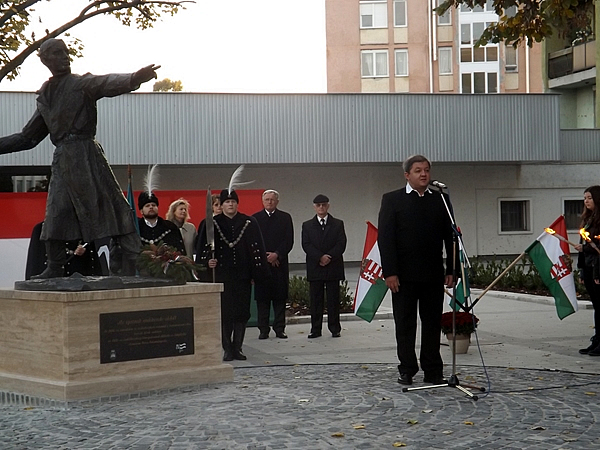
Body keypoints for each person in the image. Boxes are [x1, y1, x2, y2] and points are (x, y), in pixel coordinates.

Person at [0, 38, 159, 278]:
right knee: (56, 212)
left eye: (66, 52)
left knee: (112, 206)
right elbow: (27, 138)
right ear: (46, 60)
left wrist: (134, 78)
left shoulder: (81, 83)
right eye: (58, 53)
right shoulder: (45, 97)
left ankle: (139, 259)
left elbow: (106, 83)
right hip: (63, 159)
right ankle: (54, 266)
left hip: (87, 155)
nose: (65, 57)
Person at [377, 154, 455, 386]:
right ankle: (407, 369)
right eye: (418, 170)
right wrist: (390, 272)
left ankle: (433, 370)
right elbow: (386, 239)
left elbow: (450, 237)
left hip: (432, 274)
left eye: (427, 170)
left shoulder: (440, 199)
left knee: (432, 323)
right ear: (407, 175)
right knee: (405, 324)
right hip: (403, 276)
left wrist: (451, 269)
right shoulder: (392, 200)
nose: (424, 174)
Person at [196, 188, 267, 361]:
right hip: (221, 275)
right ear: (221, 205)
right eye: (227, 202)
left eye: (233, 202)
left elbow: (257, 249)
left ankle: (238, 347)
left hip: (242, 275)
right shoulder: (211, 223)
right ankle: (227, 348)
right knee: (225, 313)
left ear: (237, 204)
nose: (230, 205)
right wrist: (207, 263)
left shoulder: (249, 222)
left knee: (241, 312)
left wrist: (256, 273)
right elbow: (202, 249)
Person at [301, 194, 347, 339]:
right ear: (314, 207)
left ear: (328, 206)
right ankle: (315, 329)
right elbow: (306, 244)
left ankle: (335, 328)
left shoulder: (338, 224)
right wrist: (320, 257)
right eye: (318, 205)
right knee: (316, 300)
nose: (321, 207)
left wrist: (329, 257)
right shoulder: (307, 225)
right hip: (316, 266)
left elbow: (341, 244)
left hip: (333, 266)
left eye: (324, 204)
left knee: (333, 300)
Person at [253, 190, 294, 339]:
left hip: (279, 265)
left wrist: (277, 254)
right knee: (263, 299)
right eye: (267, 199)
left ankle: (279, 328)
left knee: (279, 298)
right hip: (262, 265)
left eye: (272, 199)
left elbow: (288, 240)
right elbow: (253, 241)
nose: (269, 202)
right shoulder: (255, 219)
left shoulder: (285, 218)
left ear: (277, 201)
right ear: (262, 201)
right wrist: (266, 257)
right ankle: (263, 330)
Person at [25, 221, 103, 279]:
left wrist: (84, 253)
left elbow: (93, 265)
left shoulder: (84, 230)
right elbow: (33, 262)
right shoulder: (40, 229)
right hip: (51, 285)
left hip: (80, 283)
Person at [576, 185, 600, 356]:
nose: (586, 201)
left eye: (589, 198)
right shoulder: (588, 220)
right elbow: (583, 244)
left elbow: (595, 246)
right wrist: (582, 270)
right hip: (589, 266)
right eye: (585, 198)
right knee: (597, 306)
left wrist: (585, 248)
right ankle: (597, 339)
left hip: (598, 267)